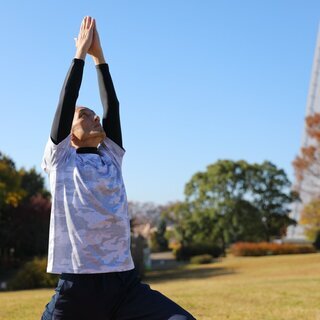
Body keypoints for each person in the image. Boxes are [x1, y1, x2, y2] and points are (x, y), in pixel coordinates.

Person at [41, 16, 196, 320]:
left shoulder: (111, 156)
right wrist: (81, 56)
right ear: (70, 135)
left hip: (124, 284)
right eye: (85, 115)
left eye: (94, 114)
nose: (95, 117)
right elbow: (66, 101)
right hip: (78, 289)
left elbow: (113, 106)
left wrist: (101, 57)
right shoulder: (60, 159)